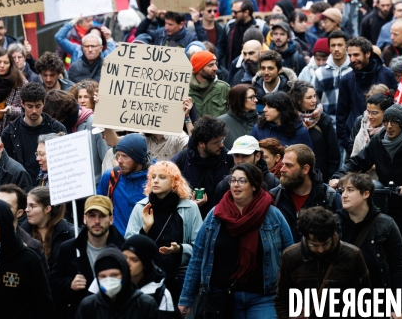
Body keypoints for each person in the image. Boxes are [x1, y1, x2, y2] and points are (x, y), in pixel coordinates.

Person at [331, 104, 402, 299]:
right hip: (394, 211)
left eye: (395, 122)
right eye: (387, 121)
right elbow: (357, 162)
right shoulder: (378, 143)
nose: (389, 126)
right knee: (400, 262)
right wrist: (340, 175)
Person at [179, 163, 293, 318]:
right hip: (222, 296)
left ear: (254, 186)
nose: (236, 185)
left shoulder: (272, 215)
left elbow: (290, 256)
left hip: (263, 296)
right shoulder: (216, 215)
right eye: (233, 180)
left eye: (242, 181)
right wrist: (186, 298)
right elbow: (198, 257)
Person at [124, 160, 202, 305]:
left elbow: (199, 247)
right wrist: (145, 229)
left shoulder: (190, 208)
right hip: (146, 277)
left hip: (180, 276)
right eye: (153, 177)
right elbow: (128, 246)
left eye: (162, 177)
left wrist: (179, 249)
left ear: (174, 181)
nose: (156, 181)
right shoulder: (140, 207)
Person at [275, 206, 370, 318]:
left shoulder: (352, 255)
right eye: (314, 245)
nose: (320, 250)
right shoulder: (291, 256)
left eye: (325, 243)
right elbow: (282, 300)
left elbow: (364, 300)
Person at [50, 195, 125, 318]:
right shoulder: (69, 248)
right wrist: (70, 284)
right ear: (84, 218)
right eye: (92, 215)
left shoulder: (124, 249)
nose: (96, 221)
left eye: (102, 216)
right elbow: (53, 283)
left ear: (111, 219)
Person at [335, 173, 402, 301]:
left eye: (350, 190)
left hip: (377, 300)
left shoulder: (386, 225)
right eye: (343, 190)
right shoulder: (333, 224)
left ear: (366, 194)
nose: (344, 195)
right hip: (340, 302)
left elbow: (399, 267)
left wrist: (398, 306)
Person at [336, 37, 398, 153]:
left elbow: (397, 106)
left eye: (356, 55)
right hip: (355, 141)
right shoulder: (346, 80)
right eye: (350, 56)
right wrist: (348, 145)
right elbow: (341, 115)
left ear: (368, 53)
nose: (352, 59)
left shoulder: (387, 74)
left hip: (386, 140)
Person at [1, 82, 66, 181]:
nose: (34, 111)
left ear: (44, 103)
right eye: (30, 106)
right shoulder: (9, 133)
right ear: (22, 104)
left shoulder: (57, 129)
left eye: (38, 106)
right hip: (20, 186)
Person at [172, 116, 234, 218]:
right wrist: (189, 205)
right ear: (201, 144)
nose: (221, 145)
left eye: (221, 141)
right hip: (190, 220)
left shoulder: (228, 158)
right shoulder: (182, 160)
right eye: (216, 143)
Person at [43, 90, 108, 184]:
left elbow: (106, 157)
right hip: (72, 185)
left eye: (58, 119)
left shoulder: (93, 122)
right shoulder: (60, 126)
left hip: (95, 184)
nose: (56, 122)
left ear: (64, 116)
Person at [76, 247, 158, 318]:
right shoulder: (88, 306)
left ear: (125, 274)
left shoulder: (145, 304)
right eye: (103, 276)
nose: (108, 280)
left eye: (114, 275)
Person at [97, 133, 150, 237]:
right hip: (116, 243)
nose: (119, 161)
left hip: (143, 243)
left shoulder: (156, 179)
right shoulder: (110, 176)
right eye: (118, 155)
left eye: (125, 156)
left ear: (138, 158)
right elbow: (98, 208)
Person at [289, 80, 339, 182]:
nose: (314, 100)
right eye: (309, 97)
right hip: (295, 175)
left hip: (320, 175)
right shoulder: (290, 119)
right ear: (298, 100)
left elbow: (333, 152)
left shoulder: (323, 118)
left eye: (314, 96)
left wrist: (332, 177)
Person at [121, 235, 177, 318]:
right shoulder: (107, 281)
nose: (127, 263)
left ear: (145, 264)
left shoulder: (160, 294)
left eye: (134, 260)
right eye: (124, 257)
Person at [214, 135, 280, 203]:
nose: (240, 161)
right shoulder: (225, 184)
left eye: (245, 156)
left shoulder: (273, 182)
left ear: (257, 156)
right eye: (236, 155)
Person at [23, 186, 74, 270]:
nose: (27, 210)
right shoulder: (22, 233)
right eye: (27, 205)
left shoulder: (69, 233)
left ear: (47, 209)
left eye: (32, 206)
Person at [349, 91, 395, 180]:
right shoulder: (362, 131)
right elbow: (354, 160)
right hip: (364, 184)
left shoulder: (393, 133)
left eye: (374, 113)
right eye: (368, 112)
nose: (370, 116)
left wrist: (372, 165)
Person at [312, 30, 352, 130]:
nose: (336, 49)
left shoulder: (354, 70)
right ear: (329, 48)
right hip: (328, 127)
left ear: (346, 46)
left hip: (351, 126)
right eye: (333, 45)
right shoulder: (320, 73)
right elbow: (315, 101)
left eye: (340, 45)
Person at [216, 0, 270, 71]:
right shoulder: (229, 26)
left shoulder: (261, 27)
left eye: (235, 12)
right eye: (232, 12)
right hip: (233, 69)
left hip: (258, 70)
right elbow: (221, 47)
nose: (232, 15)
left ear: (246, 12)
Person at [188, 50, 230, 118]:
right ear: (199, 69)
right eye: (210, 65)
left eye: (215, 64)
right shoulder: (186, 90)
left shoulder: (224, 88)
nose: (215, 68)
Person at [217, 84, 258, 150]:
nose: (256, 100)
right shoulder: (220, 122)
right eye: (251, 97)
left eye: (255, 96)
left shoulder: (261, 121)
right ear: (239, 99)